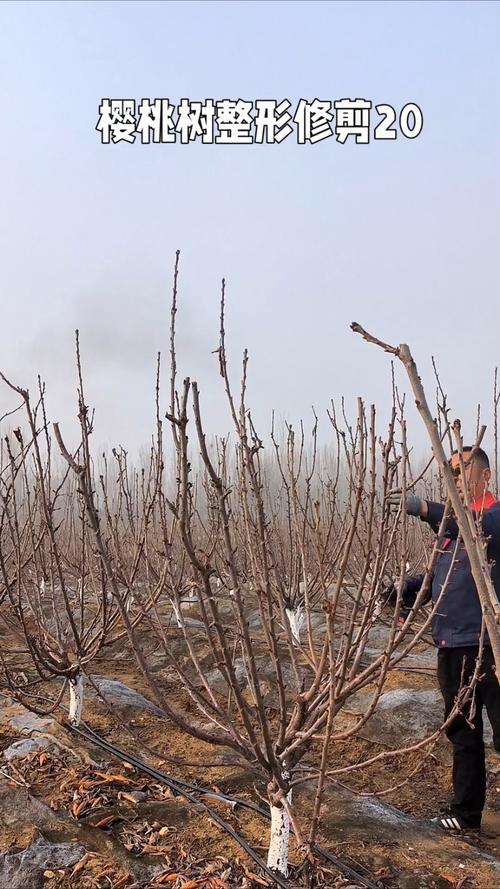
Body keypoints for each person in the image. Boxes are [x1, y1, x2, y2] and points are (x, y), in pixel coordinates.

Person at [387, 446, 500, 833]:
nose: (455, 478)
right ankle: (466, 814)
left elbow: (473, 528)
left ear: (485, 474)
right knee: (463, 731)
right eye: (450, 472)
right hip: (451, 645)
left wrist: (424, 508)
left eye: (462, 469)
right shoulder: (449, 533)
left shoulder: (492, 518)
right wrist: (404, 591)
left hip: (491, 645)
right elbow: (439, 576)